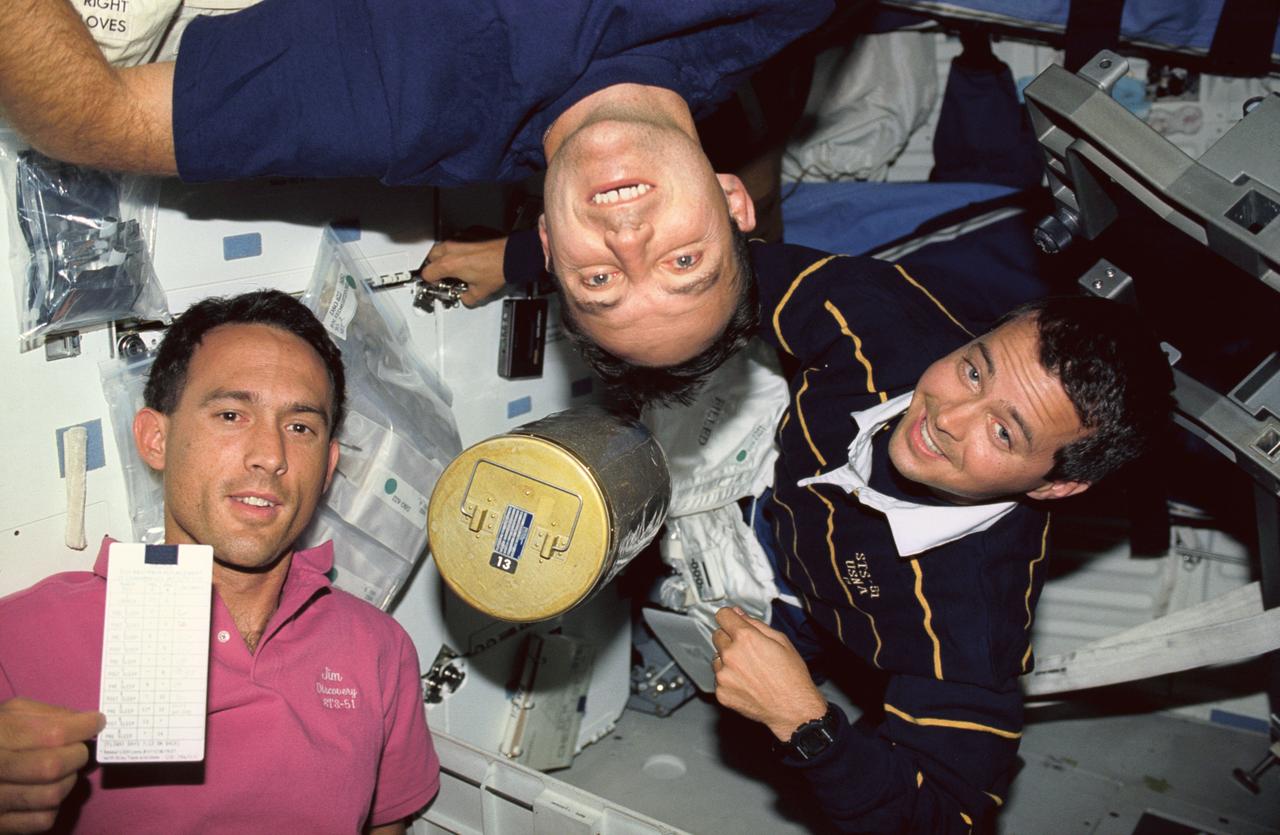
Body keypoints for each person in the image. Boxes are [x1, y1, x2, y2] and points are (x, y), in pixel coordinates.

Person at [0, 0, 834, 374]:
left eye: (600, 280)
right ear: (733, 202)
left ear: (547, 246)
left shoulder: (406, 105)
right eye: (684, 260)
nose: (629, 242)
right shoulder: (775, 17)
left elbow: (92, 121)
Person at [702, 244, 1173, 833]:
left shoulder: (969, 621)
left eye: (1003, 432)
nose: (949, 416)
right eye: (975, 370)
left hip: (788, 605)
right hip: (747, 454)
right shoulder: (882, 319)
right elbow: (706, 259)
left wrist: (802, 720)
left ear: (1056, 486)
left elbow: (948, 818)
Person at [0, 291, 439, 834]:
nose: (271, 455)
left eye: (300, 427)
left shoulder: (378, 649)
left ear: (327, 467)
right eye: (231, 415)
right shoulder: (18, 643)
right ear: (156, 439)